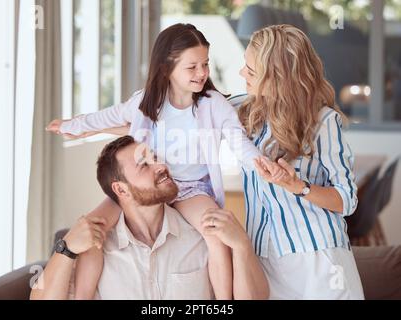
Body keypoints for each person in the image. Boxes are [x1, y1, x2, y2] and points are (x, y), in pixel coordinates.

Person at [46, 23, 260, 299]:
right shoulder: (146, 102)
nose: (202, 73)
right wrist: (73, 125)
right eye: (192, 67)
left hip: (191, 189)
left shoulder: (213, 104)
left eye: (205, 64)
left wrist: (259, 164)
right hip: (146, 184)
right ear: (166, 68)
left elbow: (238, 142)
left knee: (216, 236)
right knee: (93, 229)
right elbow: (108, 117)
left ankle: (224, 302)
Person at [30, 136, 269, 300]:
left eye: (156, 157)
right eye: (144, 165)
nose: (161, 165)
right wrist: (67, 248)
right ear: (121, 190)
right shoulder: (97, 249)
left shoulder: (203, 234)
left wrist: (242, 246)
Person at [238, 24, 364, 299]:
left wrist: (297, 186)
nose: (241, 74)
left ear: (279, 76)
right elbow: (191, 104)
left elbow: (347, 200)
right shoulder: (246, 111)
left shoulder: (323, 122)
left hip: (317, 258)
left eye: (251, 71)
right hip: (265, 257)